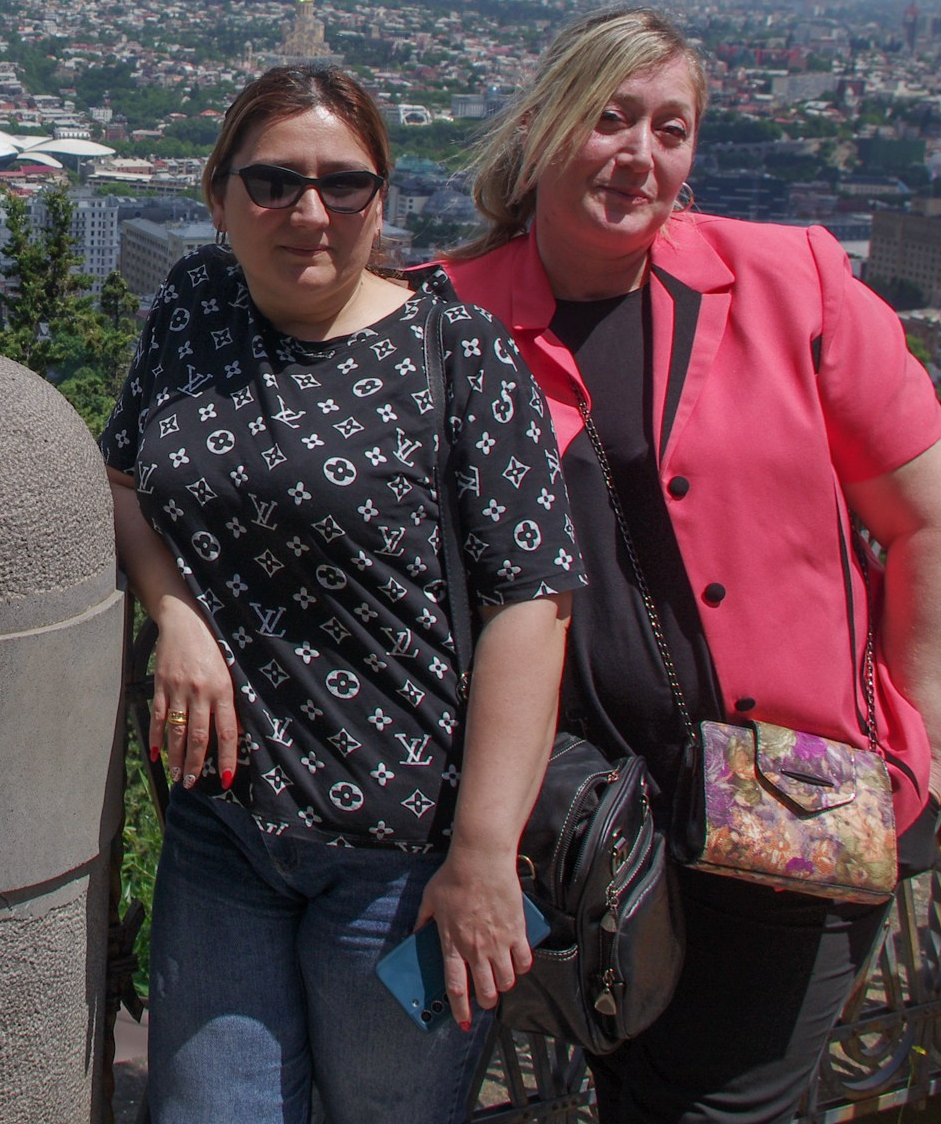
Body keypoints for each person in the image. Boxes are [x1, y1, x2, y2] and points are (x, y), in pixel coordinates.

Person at [443, 7, 941, 1124]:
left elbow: (938, 521)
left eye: (671, 128)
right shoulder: (447, 317)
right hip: (581, 818)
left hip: (796, 805)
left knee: (718, 1104)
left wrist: (917, 754)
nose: (639, 154)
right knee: (635, 1081)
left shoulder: (793, 283)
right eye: (609, 118)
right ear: (541, 125)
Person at [104, 65, 584, 1124]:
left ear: (381, 199)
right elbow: (124, 482)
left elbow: (531, 605)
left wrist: (482, 856)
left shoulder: (460, 352)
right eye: (273, 182)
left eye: (344, 183)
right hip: (222, 828)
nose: (309, 212)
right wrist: (176, 614)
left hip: (404, 859)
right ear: (219, 195)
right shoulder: (196, 304)